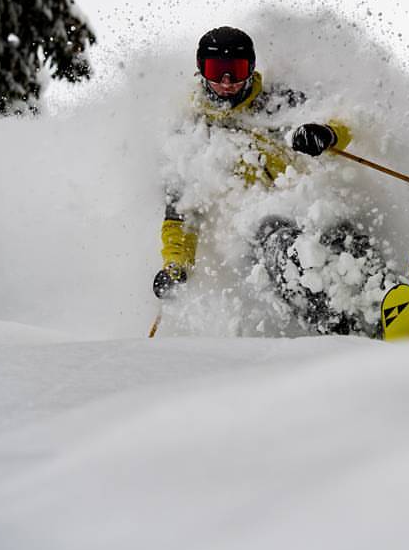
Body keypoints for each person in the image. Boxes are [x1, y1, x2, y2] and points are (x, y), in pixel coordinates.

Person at [152, 26, 388, 338]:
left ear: (250, 69)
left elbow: (340, 119)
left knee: (340, 228)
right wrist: (175, 266)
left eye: (235, 71)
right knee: (278, 242)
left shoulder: (277, 102)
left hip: (304, 202)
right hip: (252, 228)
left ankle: (388, 296)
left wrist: (325, 134)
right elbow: (180, 216)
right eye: (217, 71)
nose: (226, 82)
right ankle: (337, 325)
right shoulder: (191, 135)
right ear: (201, 70)